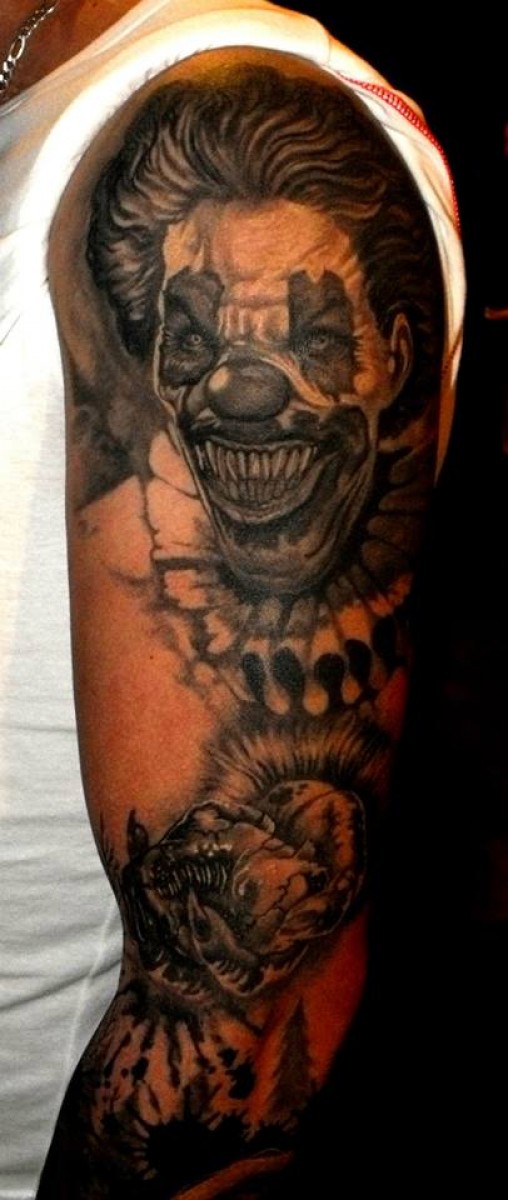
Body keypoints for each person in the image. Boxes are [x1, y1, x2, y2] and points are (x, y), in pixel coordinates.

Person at [0, 2, 464, 1196]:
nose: (248, 394)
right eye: (198, 340)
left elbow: (244, 1022)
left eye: (310, 340)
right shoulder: (37, 96)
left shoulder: (210, 101)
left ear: (388, 354)